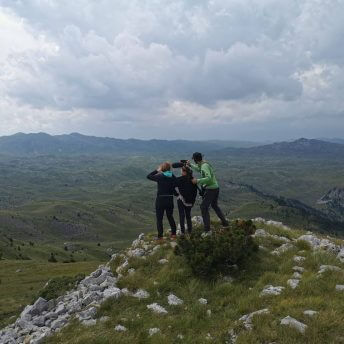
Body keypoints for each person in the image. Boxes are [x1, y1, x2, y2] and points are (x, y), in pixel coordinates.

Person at [188, 152, 229, 233]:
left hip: (211, 189)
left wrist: (197, 181)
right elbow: (199, 169)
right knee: (214, 205)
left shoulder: (204, 166)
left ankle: (207, 230)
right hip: (215, 187)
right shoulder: (203, 164)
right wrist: (190, 165)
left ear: (196, 160)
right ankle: (225, 223)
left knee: (203, 207)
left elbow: (208, 178)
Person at [147, 162, 177, 241]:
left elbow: (149, 176)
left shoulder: (160, 176)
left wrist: (157, 170)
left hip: (160, 200)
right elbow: (173, 187)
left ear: (162, 168)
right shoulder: (172, 176)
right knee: (170, 217)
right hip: (170, 200)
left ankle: (160, 237)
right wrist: (177, 194)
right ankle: (173, 234)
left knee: (159, 219)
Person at [175, 165, 198, 235]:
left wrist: (177, 194)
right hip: (190, 201)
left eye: (182, 170)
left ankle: (182, 232)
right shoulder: (193, 180)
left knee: (181, 215)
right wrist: (193, 202)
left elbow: (173, 187)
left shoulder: (179, 179)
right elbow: (195, 192)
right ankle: (190, 232)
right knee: (188, 216)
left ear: (184, 172)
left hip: (181, 200)